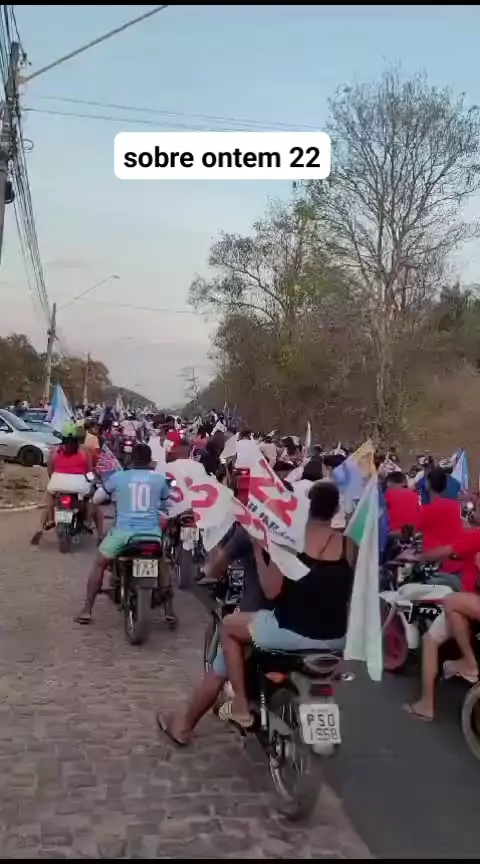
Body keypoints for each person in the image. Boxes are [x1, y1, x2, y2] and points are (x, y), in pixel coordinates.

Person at [217, 482, 357, 727]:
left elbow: (271, 591)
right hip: (336, 637)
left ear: (306, 507)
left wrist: (259, 549)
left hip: (291, 631)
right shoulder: (349, 546)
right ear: (336, 510)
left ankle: (240, 704)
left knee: (229, 626)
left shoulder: (290, 541)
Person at [157, 520, 273, 746]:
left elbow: (218, 566)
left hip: (256, 615)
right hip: (295, 618)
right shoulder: (298, 527)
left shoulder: (251, 526)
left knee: (219, 668)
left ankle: (184, 727)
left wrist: (206, 572)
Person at [75, 443, 170, 625]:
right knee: (162, 562)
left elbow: (97, 498)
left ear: (131, 459)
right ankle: (169, 610)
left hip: (123, 533)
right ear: (150, 461)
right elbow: (166, 503)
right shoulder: (159, 480)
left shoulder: (119, 477)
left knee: (99, 563)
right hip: (151, 534)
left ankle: (87, 609)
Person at [31, 423, 92, 546]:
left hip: (57, 482)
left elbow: (50, 469)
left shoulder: (55, 450)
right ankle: (87, 521)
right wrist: (90, 481)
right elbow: (89, 471)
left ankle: (49, 520)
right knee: (91, 499)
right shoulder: (84, 451)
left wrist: (54, 481)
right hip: (79, 484)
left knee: (50, 497)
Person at [384, 471, 421, 535]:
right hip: (415, 532)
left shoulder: (387, 495)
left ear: (389, 484)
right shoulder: (414, 495)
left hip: (394, 534)